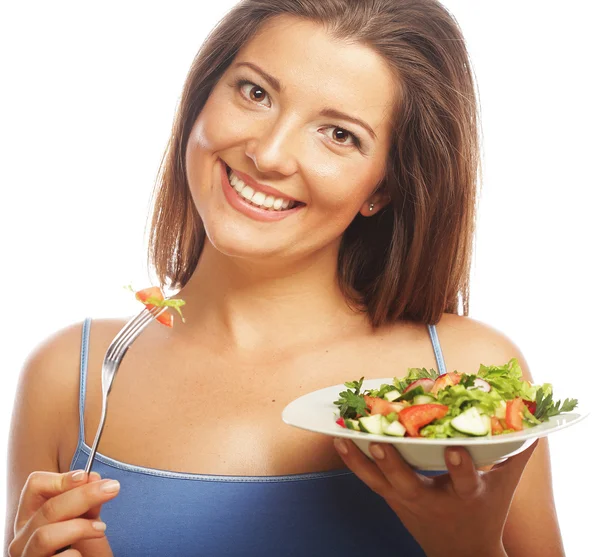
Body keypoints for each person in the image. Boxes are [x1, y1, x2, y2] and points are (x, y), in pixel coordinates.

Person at [5, 0, 565, 555]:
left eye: (339, 135)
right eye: (255, 93)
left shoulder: (470, 379)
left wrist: (469, 549)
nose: (269, 155)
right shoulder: (72, 380)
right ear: (201, 98)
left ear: (382, 188)